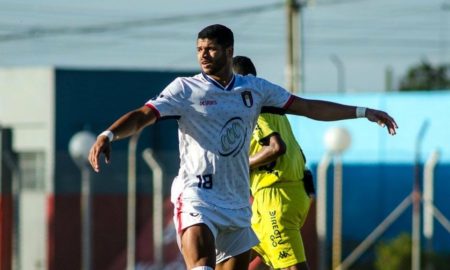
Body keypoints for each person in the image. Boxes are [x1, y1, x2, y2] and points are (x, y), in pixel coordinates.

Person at [88, 24, 398, 270]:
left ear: (228, 50)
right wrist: (109, 134)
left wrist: (362, 111)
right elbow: (144, 115)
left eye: (210, 49)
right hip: (196, 193)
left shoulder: (254, 89)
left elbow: (307, 107)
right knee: (201, 265)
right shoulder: (186, 89)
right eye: (199, 49)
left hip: (237, 202)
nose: (203, 55)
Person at [233, 55, 314, 270]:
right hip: (288, 193)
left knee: (290, 266)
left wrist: (238, 164)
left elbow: (276, 148)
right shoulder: (273, 105)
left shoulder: (252, 108)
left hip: (275, 197)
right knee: (234, 258)